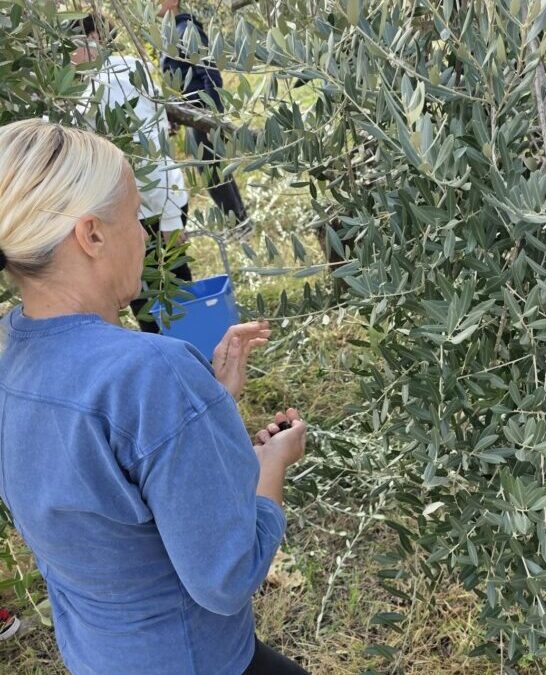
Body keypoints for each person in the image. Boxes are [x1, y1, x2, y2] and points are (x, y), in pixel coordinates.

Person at [0, 119, 308, 673]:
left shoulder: (11, 356)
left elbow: (103, 495)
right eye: (137, 217)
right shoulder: (150, 374)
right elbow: (228, 577)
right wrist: (270, 470)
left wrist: (208, 401)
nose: (145, 235)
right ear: (91, 234)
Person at [71, 13, 191, 333]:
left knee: (160, 297)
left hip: (152, 207)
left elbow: (146, 152)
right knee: (151, 296)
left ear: (94, 38)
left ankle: (190, 367)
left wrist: (169, 220)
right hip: (146, 207)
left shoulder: (117, 79)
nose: (68, 56)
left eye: (72, 46)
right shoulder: (108, 78)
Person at [157, 0, 252, 235]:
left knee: (212, 175)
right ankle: (240, 224)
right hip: (193, 115)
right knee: (215, 172)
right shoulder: (170, 33)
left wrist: (212, 118)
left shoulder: (186, 30)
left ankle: (238, 226)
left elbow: (210, 74)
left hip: (202, 113)